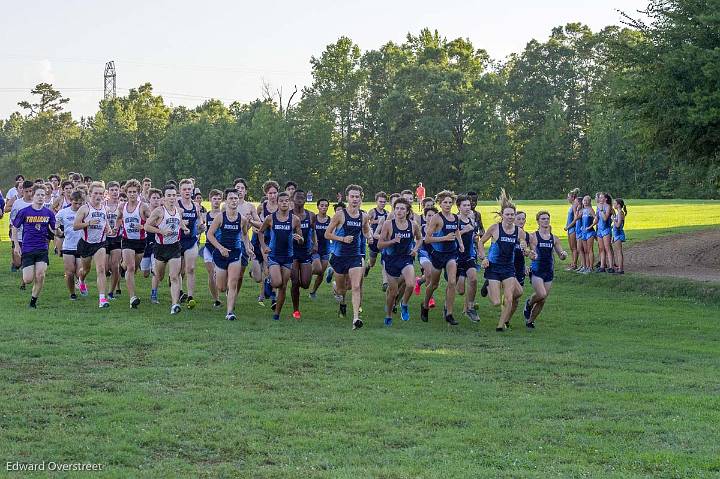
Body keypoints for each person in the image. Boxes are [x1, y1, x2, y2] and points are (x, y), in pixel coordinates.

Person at [477, 189, 532, 332]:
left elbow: (524, 244)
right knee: (496, 302)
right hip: (493, 267)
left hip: (508, 268)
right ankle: (488, 286)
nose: (510, 217)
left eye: (512, 214)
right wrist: (483, 258)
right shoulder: (495, 228)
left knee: (509, 298)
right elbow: (481, 242)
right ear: (502, 215)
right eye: (507, 214)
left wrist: (526, 250)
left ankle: (500, 326)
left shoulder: (519, 231)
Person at [325, 185, 372, 330]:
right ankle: (334, 286)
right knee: (341, 290)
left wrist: (369, 237)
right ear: (347, 198)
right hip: (339, 257)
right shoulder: (340, 215)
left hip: (355, 256)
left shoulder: (364, 216)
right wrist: (342, 239)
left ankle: (356, 318)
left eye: (357, 196)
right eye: (352, 196)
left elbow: (365, 231)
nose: (355, 199)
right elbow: (327, 234)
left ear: (361, 198)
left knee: (356, 286)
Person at [206, 188, 253, 321]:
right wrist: (220, 248)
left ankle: (230, 312)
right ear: (226, 201)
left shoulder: (242, 219)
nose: (234, 200)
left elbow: (244, 234)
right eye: (231, 198)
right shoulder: (220, 217)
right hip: (220, 254)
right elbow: (209, 234)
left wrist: (248, 248)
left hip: (235, 253)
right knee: (221, 288)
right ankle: (217, 274)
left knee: (233, 283)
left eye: (236, 198)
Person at [144, 184, 189, 314]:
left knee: (175, 276)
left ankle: (174, 305)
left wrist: (184, 228)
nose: (172, 198)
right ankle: (154, 291)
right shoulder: (159, 211)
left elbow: (179, 222)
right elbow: (147, 226)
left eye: (174, 195)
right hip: (160, 248)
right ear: (164, 198)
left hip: (175, 246)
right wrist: (161, 231)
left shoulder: (179, 210)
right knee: (160, 276)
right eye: (169, 195)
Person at [377, 197, 422, 326]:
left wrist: (415, 249)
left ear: (407, 211)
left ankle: (404, 304)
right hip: (391, 260)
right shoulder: (388, 224)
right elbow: (380, 245)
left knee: (410, 284)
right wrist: (392, 241)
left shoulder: (413, 225)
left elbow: (419, 239)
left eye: (402, 208)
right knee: (393, 292)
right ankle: (389, 315)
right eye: (397, 208)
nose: (399, 211)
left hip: (406, 259)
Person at [259, 191, 303, 321]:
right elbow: (260, 232)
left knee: (283, 285)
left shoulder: (295, 219)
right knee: (277, 282)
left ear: (290, 203)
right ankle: (268, 281)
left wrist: (299, 239)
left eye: (286, 201)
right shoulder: (270, 218)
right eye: (281, 201)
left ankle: (277, 314)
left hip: (288, 256)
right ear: (277, 203)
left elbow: (302, 240)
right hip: (274, 255)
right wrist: (264, 246)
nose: (284, 203)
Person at [421, 190, 463, 325]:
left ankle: (449, 313)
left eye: (450, 202)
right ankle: (425, 305)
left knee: (452, 282)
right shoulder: (436, 218)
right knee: (434, 284)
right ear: (439, 203)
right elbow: (427, 239)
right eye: (445, 202)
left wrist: (460, 244)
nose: (448, 205)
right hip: (438, 256)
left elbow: (456, 231)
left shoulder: (455, 217)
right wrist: (444, 238)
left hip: (451, 254)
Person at [12, 185, 55, 308]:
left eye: (43, 195)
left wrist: (59, 232)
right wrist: (16, 245)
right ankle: (25, 278)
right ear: (33, 195)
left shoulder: (49, 213)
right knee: (28, 279)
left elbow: (54, 229)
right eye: (38, 195)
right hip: (28, 248)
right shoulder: (24, 211)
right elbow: (15, 227)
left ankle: (33, 301)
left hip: (42, 248)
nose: (41, 197)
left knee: (40, 274)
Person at [523, 211, 568, 328]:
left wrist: (563, 255)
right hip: (537, 270)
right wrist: (531, 254)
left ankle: (530, 321)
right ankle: (529, 303)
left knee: (542, 300)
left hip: (549, 271)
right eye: (543, 219)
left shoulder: (554, 238)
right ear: (538, 221)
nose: (545, 220)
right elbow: (528, 251)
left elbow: (560, 254)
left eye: (547, 218)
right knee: (541, 294)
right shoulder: (533, 236)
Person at [73, 181, 112, 307]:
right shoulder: (84, 209)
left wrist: (109, 229)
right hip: (86, 244)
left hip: (100, 243)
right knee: (85, 269)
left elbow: (106, 223)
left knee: (101, 269)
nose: (98, 196)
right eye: (95, 193)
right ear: (90, 194)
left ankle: (102, 299)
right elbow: (75, 226)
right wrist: (88, 223)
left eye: (101, 193)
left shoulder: (105, 208)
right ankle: (81, 280)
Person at [117, 179, 151, 309]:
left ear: (138, 193)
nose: (132, 194)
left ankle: (122, 264)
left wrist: (143, 227)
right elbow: (119, 218)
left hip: (141, 241)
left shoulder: (143, 207)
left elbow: (152, 220)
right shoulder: (122, 206)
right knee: (131, 268)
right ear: (126, 193)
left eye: (134, 192)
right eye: (130, 192)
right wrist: (115, 227)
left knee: (134, 268)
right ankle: (132, 298)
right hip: (127, 240)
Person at [177, 178, 204, 309]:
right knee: (178, 271)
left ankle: (190, 296)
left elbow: (199, 221)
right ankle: (180, 291)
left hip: (191, 240)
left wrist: (201, 227)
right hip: (176, 241)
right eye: (184, 189)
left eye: (189, 189)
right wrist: (182, 225)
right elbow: (173, 219)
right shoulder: (176, 205)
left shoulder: (196, 206)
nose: (187, 191)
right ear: (180, 191)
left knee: (190, 268)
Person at [289, 190, 315, 320]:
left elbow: (313, 230)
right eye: (297, 197)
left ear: (306, 199)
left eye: (302, 197)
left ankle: (295, 286)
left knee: (304, 283)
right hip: (291, 252)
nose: (300, 199)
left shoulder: (311, 215)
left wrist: (315, 244)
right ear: (292, 199)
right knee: (294, 282)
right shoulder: (287, 215)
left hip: (305, 251)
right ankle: (296, 310)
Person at [253, 180, 279, 307]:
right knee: (268, 267)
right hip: (265, 239)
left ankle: (271, 296)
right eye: (270, 193)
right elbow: (257, 221)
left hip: (279, 240)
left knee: (274, 268)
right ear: (266, 193)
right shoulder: (262, 207)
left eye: (275, 193)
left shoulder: (282, 205)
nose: (273, 195)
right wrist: (252, 224)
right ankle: (268, 294)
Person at [55, 191, 84, 300]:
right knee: (70, 272)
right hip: (68, 245)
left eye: (80, 203)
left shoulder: (85, 212)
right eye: (75, 203)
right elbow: (55, 224)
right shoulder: (63, 212)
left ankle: (81, 283)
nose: (78, 206)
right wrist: (57, 230)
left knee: (79, 272)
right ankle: (72, 293)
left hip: (81, 246)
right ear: (71, 201)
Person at [455, 195, 480, 322]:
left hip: (469, 255)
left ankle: (470, 307)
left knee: (474, 279)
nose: (467, 208)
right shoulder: (455, 220)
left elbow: (473, 236)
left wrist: (475, 237)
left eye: (468, 205)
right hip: (457, 257)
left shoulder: (471, 220)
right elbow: (451, 237)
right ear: (458, 207)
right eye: (464, 205)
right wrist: (465, 231)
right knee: (460, 291)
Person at [203, 189, 223, 308]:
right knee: (211, 273)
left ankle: (226, 291)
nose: (216, 201)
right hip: (208, 247)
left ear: (222, 200)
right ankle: (216, 299)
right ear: (210, 199)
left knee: (220, 274)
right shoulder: (206, 215)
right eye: (214, 198)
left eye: (218, 198)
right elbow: (201, 227)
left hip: (221, 248)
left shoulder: (223, 215)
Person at [9, 180, 34, 273]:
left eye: (31, 191)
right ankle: (16, 264)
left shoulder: (37, 203)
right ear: (22, 191)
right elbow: (13, 219)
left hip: (32, 235)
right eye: (26, 191)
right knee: (18, 262)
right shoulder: (17, 203)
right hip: (19, 235)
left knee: (27, 261)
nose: (29, 193)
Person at [309, 198, 331, 298]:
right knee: (317, 268)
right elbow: (309, 232)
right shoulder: (314, 218)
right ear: (318, 206)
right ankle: (304, 272)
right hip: (315, 248)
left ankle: (313, 292)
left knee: (321, 272)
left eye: (326, 205)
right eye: (321, 205)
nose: (324, 207)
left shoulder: (330, 220)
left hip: (326, 249)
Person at [104, 181, 123, 299]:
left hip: (117, 238)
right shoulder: (103, 204)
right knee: (105, 267)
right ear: (108, 192)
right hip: (105, 238)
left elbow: (123, 218)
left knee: (115, 266)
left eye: (116, 190)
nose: (115, 192)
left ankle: (110, 292)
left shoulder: (122, 205)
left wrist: (117, 226)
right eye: (112, 190)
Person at [366, 191, 388, 285]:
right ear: (376, 201)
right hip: (374, 240)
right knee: (372, 263)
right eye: (380, 201)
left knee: (385, 261)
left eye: (384, 202)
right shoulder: (372, 211)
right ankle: (367, 266)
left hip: (383, 240)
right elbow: (366, 223)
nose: (382, 203)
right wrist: (375, 222)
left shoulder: (387, 213)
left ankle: (385, 282)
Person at [563, 188, 580, 271]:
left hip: (572, 229)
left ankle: (574, 264)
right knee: (571, 247)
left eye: (568, 197)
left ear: (573, 197)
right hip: (570, 229)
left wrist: (568, 227)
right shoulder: (572, 205)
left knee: (574, 248)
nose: (567, 198)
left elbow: (576, 218)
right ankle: (573, 263)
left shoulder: (574, 205)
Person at [579, 195, 596, 274]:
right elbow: (577, 218)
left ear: (589, 202)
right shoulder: (583, 210)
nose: (585, 202)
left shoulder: (590, 210)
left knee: (589, 250)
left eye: (587, 200)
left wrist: (590, 226)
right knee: (585, 250)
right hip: (583, 233)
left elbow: (596, 219)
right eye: (584, 200)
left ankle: (591, 267)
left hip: (590, 232)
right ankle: (586, 267)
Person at [612, 198, 627, 274]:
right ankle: (619, 268)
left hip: (618, 234)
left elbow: (618, 225)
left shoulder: (620, 213)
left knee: (619, 252)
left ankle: (621, 269)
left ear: (618, 205)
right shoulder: (619, 213)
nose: (613, 205)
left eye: (614, 203)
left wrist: (613, 219)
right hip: (616, 234)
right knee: (617, 252)